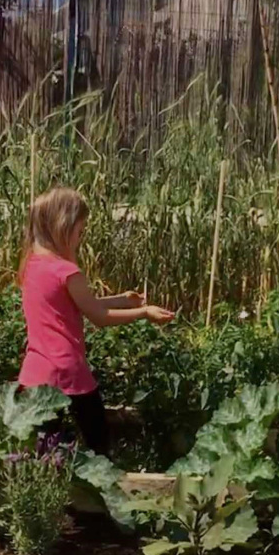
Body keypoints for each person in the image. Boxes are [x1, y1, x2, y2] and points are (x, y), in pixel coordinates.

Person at [18, 187, 174, 456]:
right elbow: (98, 317)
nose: (81, 236)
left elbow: (76, 306)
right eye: (80, 230)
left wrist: (123, 300)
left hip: (35, 374)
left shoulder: (32, 265)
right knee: (98, 444)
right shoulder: (67, 271)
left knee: (42, 452)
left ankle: (55, 494)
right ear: (63, 226)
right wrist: (144, 312)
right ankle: (102, 494)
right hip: (68, 372)